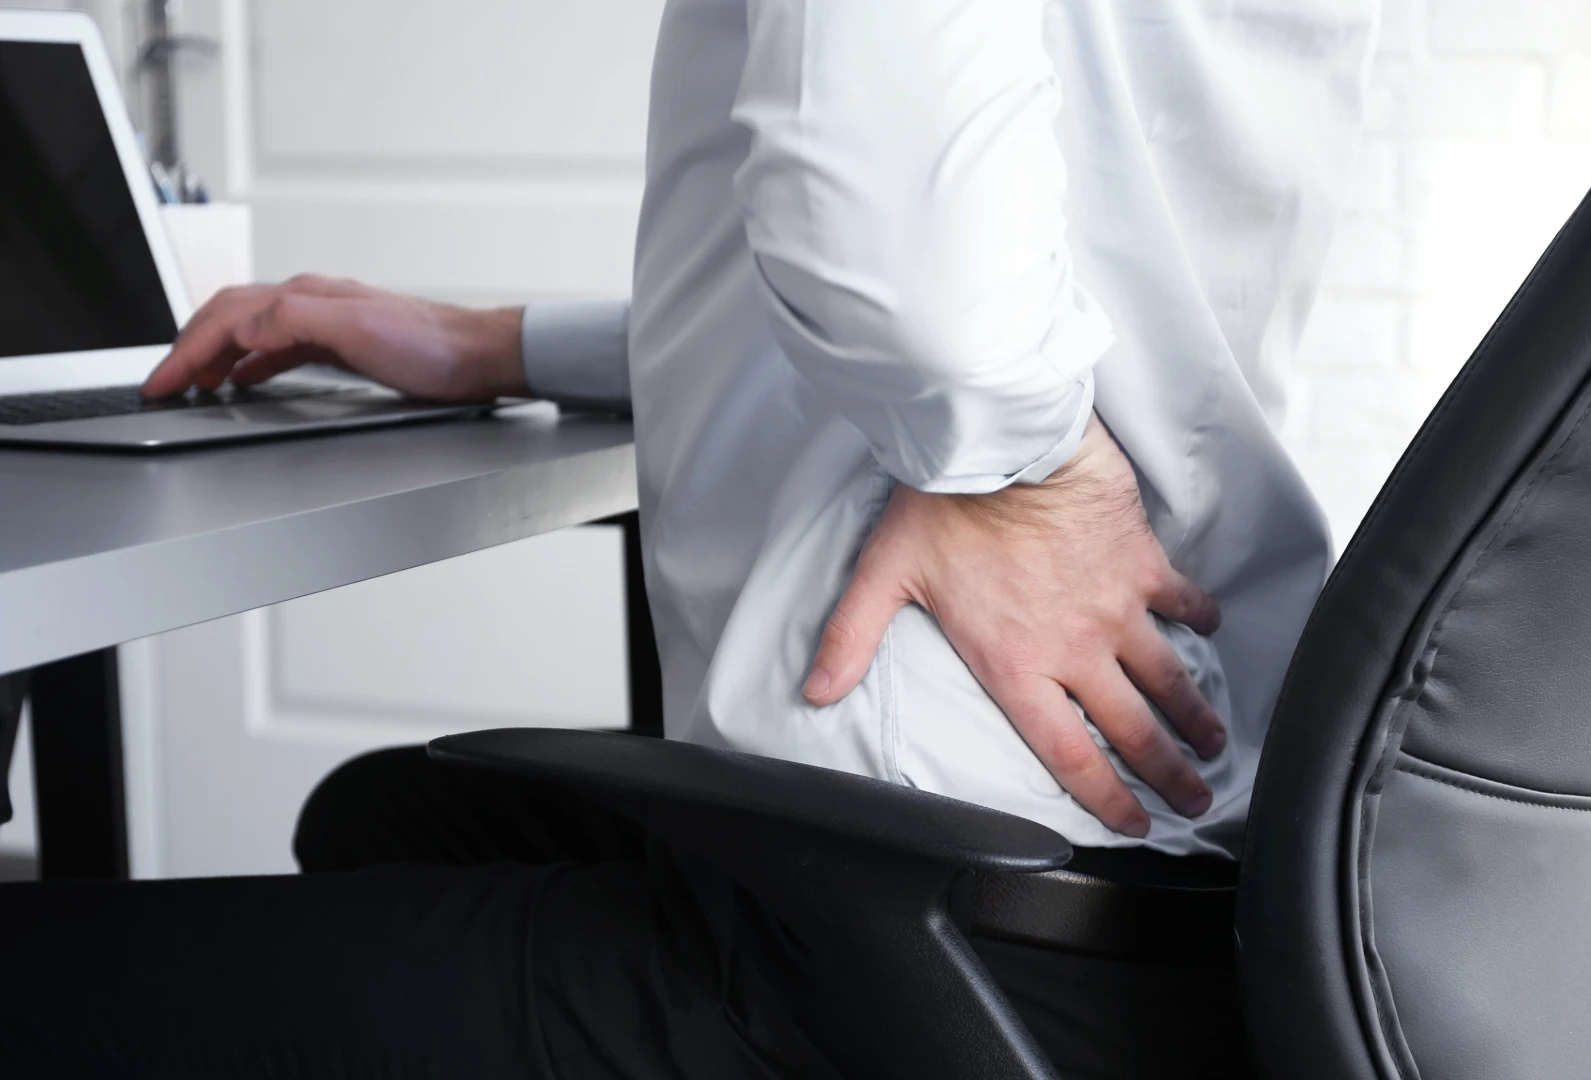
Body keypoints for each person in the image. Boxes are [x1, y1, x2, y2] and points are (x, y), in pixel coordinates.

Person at [0, 1, 1378, 1076]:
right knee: (376, 815)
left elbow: (917, 280)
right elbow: (1062, 280)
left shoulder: (985, 396)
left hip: (899, 926)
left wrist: (1027, 477)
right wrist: (498, 342)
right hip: (1165, 886)